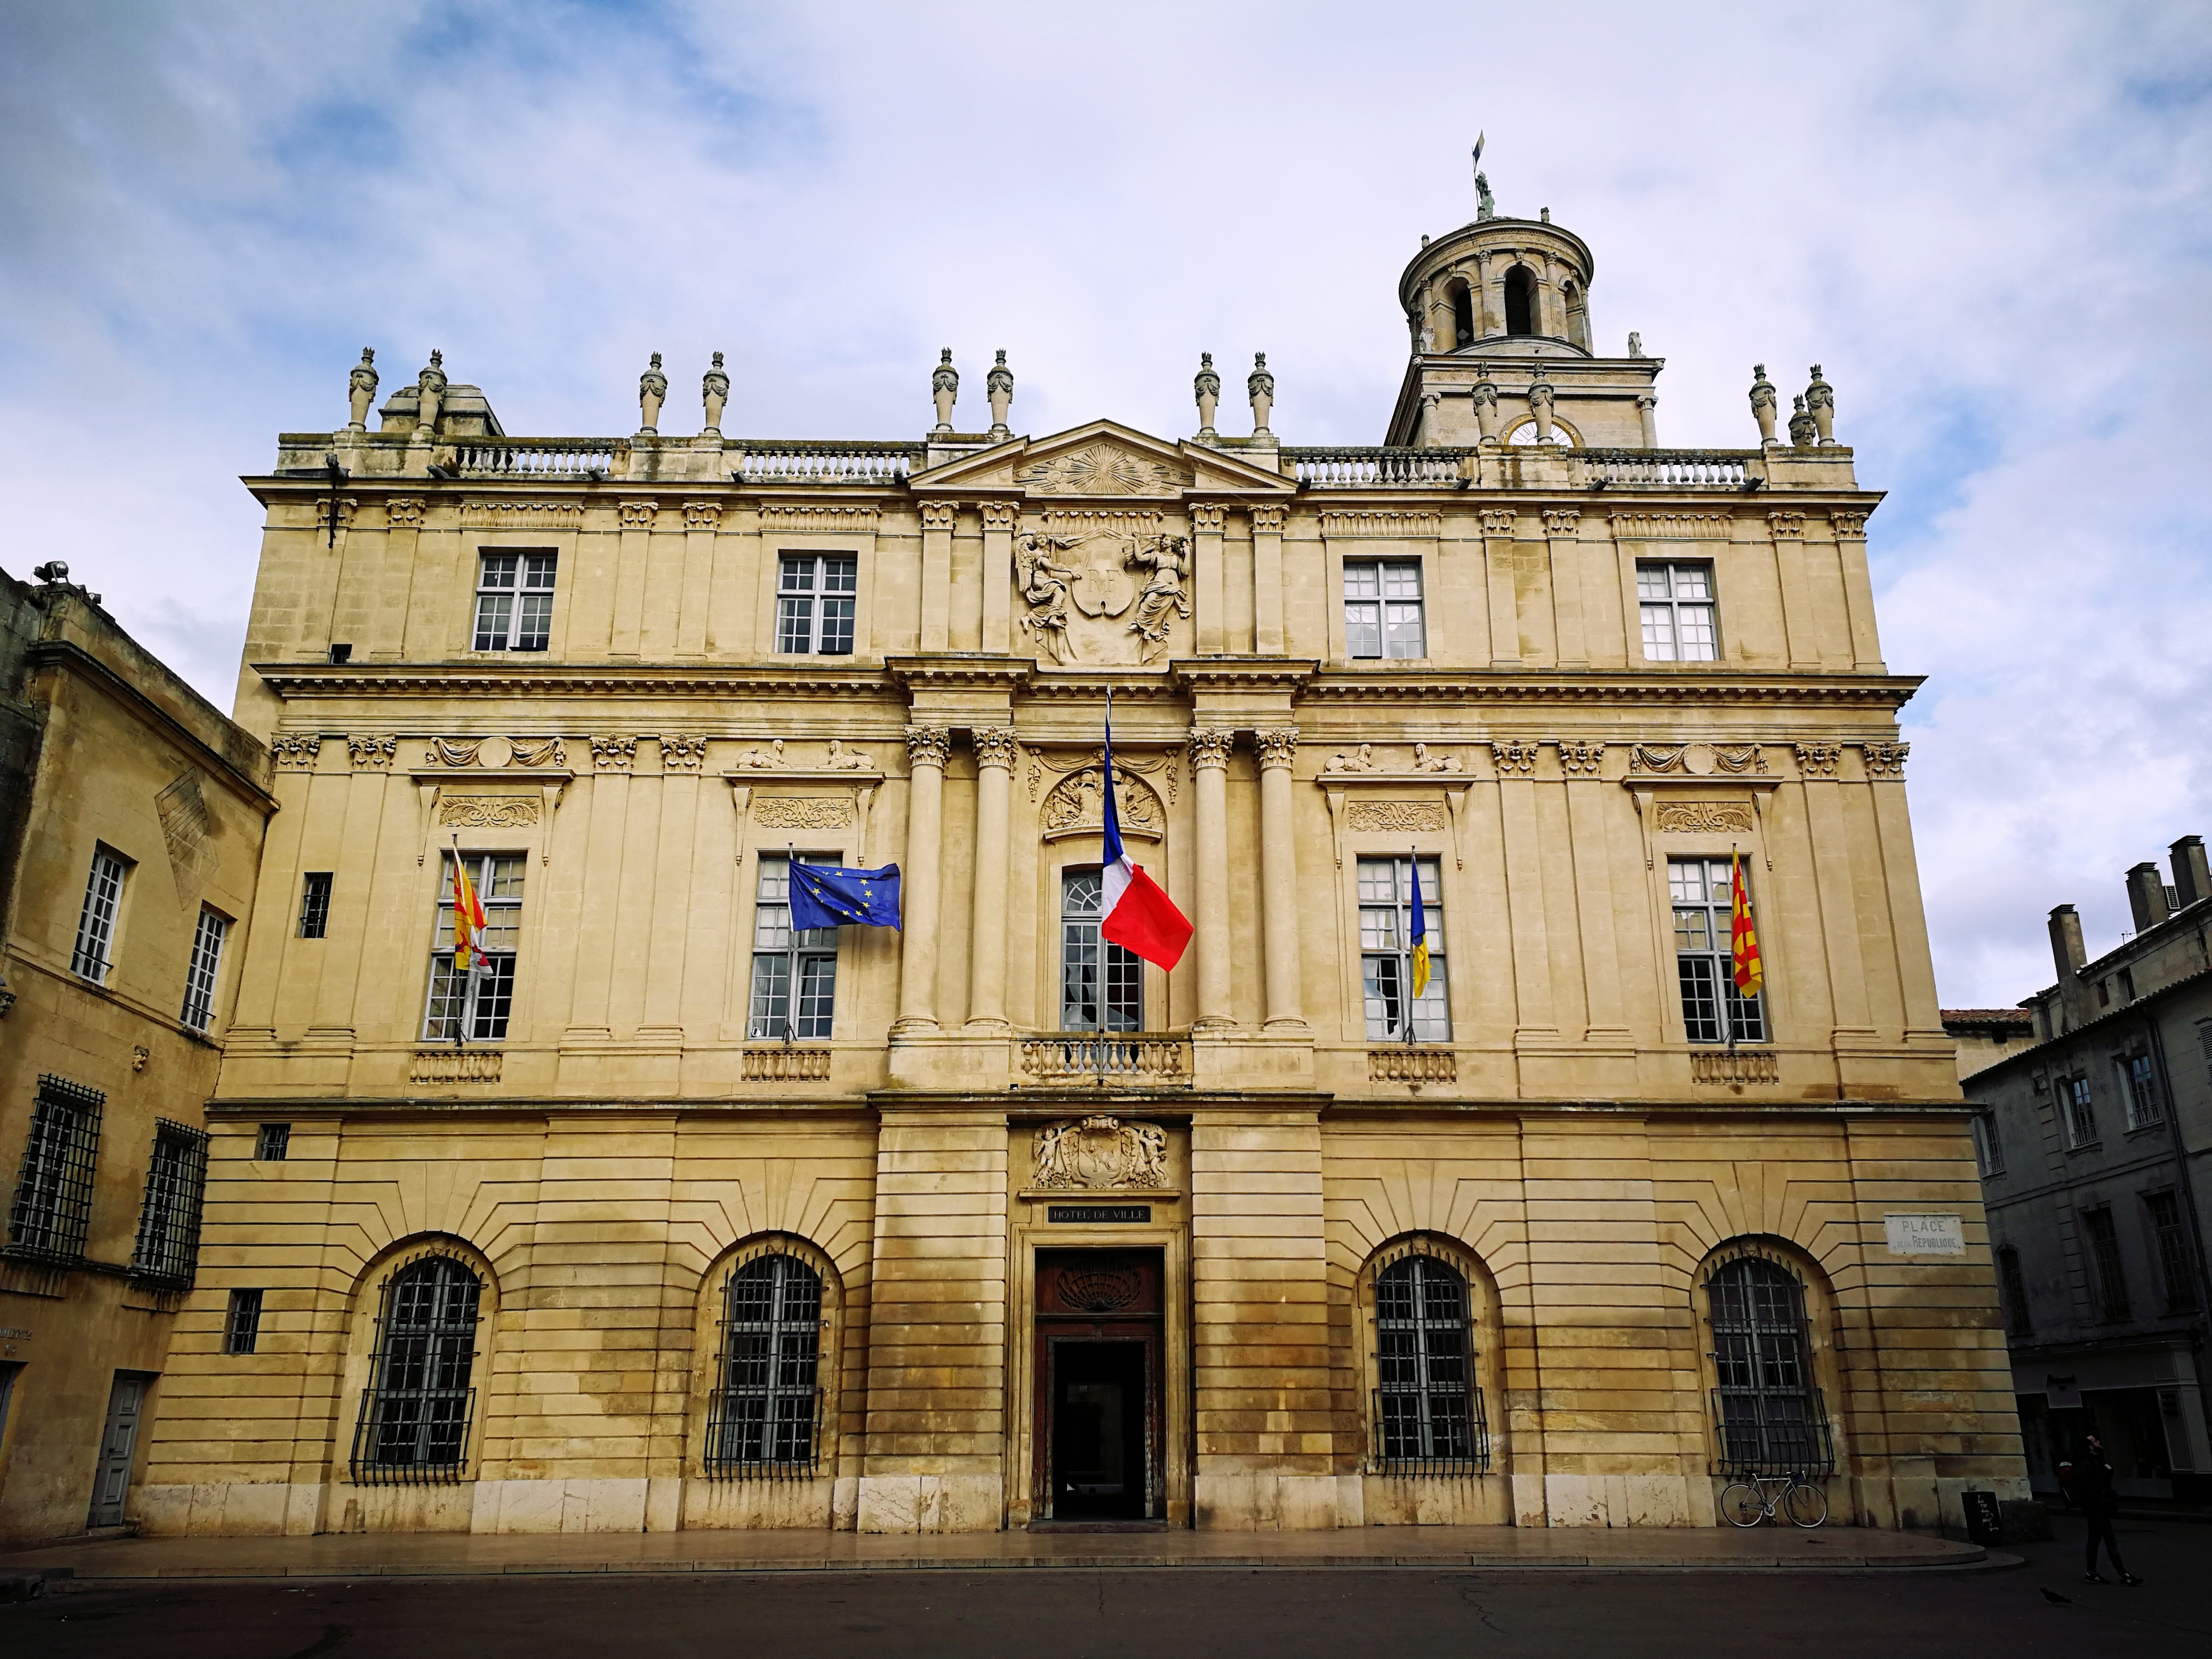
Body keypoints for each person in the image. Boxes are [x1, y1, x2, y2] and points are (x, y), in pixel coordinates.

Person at [2074, 1433, 2142, 1585]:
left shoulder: (2095, 1462)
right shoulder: (2086, 1463)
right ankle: (2123, 1575)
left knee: (2095, 1540)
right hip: (2096, 1508)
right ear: (2090, 1447)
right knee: (2109, 1540)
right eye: (2095, 1441)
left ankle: (2091, 1573)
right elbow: (2083, 1485)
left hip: (2098, 1507)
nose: (2099, 1442)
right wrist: (2101, 1492)